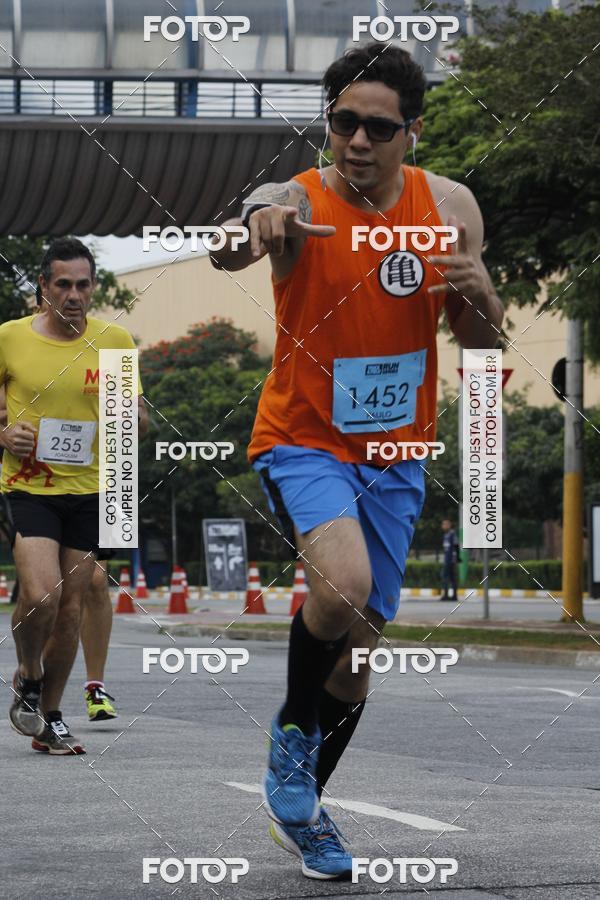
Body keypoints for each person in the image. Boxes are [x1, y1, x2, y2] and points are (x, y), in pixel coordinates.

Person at [212, 42, 503, 879]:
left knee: (363, 649)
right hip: (304, 435)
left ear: (412, 130)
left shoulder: (449, 207)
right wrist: (249, 231)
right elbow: (237, 237)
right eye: (342, 122)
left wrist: (479, 294)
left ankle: (304, 809)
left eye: (378, 126)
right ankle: (292, 733)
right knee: (343, 584)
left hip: (396, 454)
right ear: (328, 123)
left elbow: (480, 343)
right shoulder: (296, 198)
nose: (357, 141)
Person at [4, 237, 147, 754]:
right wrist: (4, 436)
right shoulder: (11, 338)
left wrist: (128, 416)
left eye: (83, 285)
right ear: (43, 287)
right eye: (62, 284)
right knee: (41, 593)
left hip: (95, 489)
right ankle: (27, 670)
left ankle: (50, 716)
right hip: (31, 486)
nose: (73, 295)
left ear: (92, 288)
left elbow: (136, 416)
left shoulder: (114, 341)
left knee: (71, 607)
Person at [441, 518, 459, 601]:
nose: (443, 526)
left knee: (449, 577)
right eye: (443, 524)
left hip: (451, 560)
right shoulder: (445, 535)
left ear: (449, 525)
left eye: (445, 524)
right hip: (447, 558)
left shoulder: (452, 534)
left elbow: (456, 547)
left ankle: (452, 596)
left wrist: (456, 558)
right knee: (448, 577)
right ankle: (447, 595)